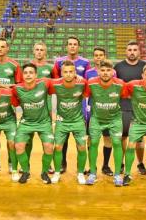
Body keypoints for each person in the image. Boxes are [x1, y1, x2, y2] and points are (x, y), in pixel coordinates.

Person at [84, 60, 127, 186]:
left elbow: (126, 97)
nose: (105, 73)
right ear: (98, 71)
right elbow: (85, 96)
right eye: (102, 70)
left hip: (114, 120)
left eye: (108, 70)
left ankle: (118, 175)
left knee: (117, 143)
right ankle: (92, 173)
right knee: (94, 143)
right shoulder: (91, 83)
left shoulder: (120, 84)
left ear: (113, 72)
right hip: (97, 119)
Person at [51, 36, 91, 173]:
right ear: (66, 46)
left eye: (75, 44)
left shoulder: (85, 62)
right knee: (63, 136)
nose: (72, 46)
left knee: (80, 136)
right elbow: (56, 79)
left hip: (79, 101)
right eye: (70, 44)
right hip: (63, 99)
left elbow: (87, 80)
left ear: (78, 47)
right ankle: (62, 163)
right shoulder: (58, 62)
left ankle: (82, 165)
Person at [13, 63, 55, 184]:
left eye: (31, 72)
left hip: (44, 122)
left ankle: (44, 172)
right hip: (27, 123)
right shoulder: (17, 89)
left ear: (36, 75)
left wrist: (77, 77)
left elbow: (60, 81)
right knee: (19, 146)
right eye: (25, 73)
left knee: (48, 146)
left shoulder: (45, 83)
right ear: (22, 75)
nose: (28, 75)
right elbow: (14, 103)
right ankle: (26, 171)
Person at [49, 60, 88, 184]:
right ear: (61, 73)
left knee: (82, 147)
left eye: (71, 71)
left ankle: (80, 173)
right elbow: (41, 83)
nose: (68, 74)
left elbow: (86, 94)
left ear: (75, 72)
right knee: (58, 147)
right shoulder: (55, 84)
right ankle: (56, 172)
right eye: (65, 72)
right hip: (62, 121)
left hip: (78, 121)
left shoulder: (82, 83)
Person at [0, 38, 22, 174]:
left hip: (9, 108)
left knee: (10, 139)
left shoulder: (14, 65)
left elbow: (18, 86)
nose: (0, 49)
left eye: (3, 46)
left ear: (7, 49)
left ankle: (11, 163)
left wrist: (4, 86)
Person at [114, 41, 146, 175]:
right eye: (129, 50)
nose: (132, 52)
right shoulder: (118, 67)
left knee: (139, 139)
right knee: (123, 137)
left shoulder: (145, 67)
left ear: (139, 52)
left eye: (135, 50)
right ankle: (121, 163)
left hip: (139, 108)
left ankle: (140, 163)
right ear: (126, 52)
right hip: (122, 107)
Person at [84, 47, 114, 176]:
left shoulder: (112, 72)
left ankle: (106, 166)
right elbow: (86, 92)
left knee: (108, 138)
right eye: (96, 55)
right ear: (93, 57)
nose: (98, 57)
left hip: (108, 110)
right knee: (91, 138)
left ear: (105, 56)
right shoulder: (88, 73)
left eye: (101, 55)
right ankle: (92, 167)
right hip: (93, 109)